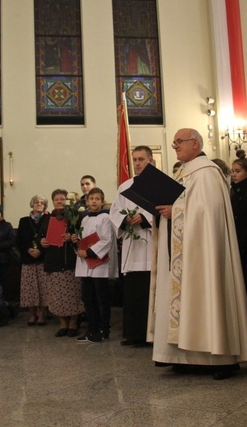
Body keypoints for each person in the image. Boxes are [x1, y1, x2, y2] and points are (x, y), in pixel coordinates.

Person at [148, 128, 247, 380]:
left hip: (204, 252)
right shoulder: (183, 172)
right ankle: (187, 356)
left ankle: (221, 359)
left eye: (179, 142)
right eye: (173, 142)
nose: (174, 146)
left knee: (208, 297)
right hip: (182, 250)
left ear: (195, 143)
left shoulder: (207, 172)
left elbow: (209, 211)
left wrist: (175, 211)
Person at [110, 146, 154, 347]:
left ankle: (153, 335)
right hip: (132, 246)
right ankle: (134, 334)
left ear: (151, 160)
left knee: (151, 292)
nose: (137, 163)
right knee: (133, 293)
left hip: (152, 245)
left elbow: (169, 210)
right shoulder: (125, 186)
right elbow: (115, 211)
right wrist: (125, 218)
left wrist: (145, 219)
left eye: (141, 159)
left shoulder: (160, 185)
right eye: (134, 160)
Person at [74, 187, 118, 343]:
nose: (94, 201)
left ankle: (103, 330)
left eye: (97, 199)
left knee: (101, 299)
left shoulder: (106, 218)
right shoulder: (84, 219)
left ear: (102, 202)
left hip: (100, 264)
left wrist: (90, 253)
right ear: (86, 201)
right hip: (86, 264)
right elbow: (83, 240)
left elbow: (106, 240)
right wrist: (76, 242)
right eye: (91, 198)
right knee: (88, 298)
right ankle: (92, 328)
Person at [41, 189, 83, 337]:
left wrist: (71, 236)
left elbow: (80, 233)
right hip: (53, 260)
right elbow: (40, 236)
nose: (59, 201)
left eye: (62, 198)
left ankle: (73, 323)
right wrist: (42, 242)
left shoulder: (74, 216)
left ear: (67, 200)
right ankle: (62, 323)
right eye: (56, 199)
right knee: (57, 295)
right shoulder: (47, 218)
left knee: (73, 294)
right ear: (52, 201)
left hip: (69, 259)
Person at [17, 195, 49, 326]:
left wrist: (40, 250)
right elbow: (19, 239)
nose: (39, 204)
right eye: (36, 202)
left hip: (42, 258)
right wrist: (29, 250)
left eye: (42, 203)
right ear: (32, 204)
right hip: (28, 258)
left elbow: (49, 237)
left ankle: (41, 314)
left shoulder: (48, 219)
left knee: (42, 288)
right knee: (29, 288)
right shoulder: (24, 220)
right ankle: (31, 315)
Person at [230, 150, 247, 301]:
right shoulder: (234, 190)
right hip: (237, 237)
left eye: (238, 171)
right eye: (233, 171)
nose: (234, 174)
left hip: (246, 239)